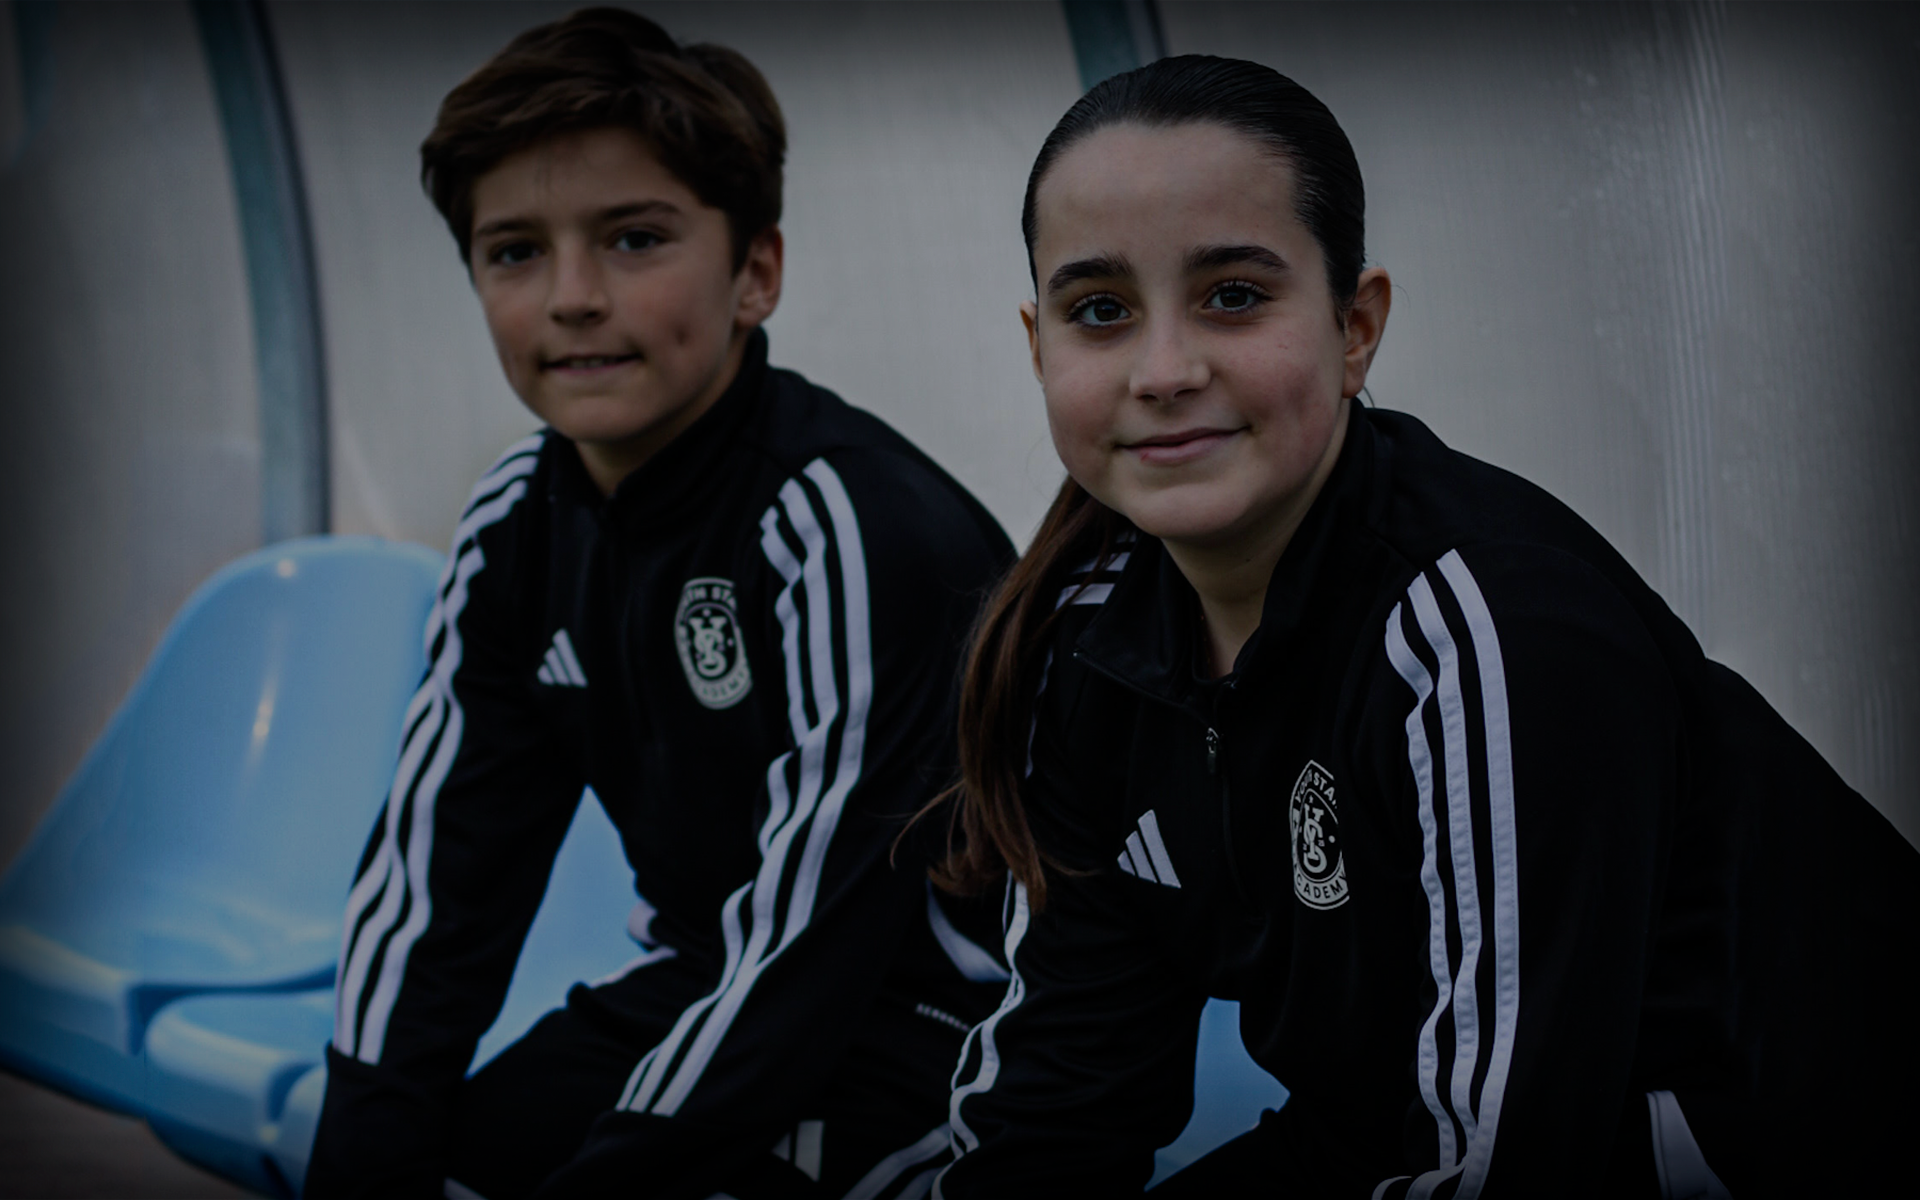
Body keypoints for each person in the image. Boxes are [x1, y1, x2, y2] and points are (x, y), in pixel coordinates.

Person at [930, 55, 1920, 1199]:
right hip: (1382, 1127)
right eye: (1100, 311)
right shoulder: (1087, 640)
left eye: (1234, 296)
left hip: (1731, 1143)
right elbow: (1059, 1095)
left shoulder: (1489, 627)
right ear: (1038, 345)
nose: (1164, 370)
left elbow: (1512, 1163)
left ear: (1355, 328)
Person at [306, 10, 1014, 1198]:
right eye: (514, 251)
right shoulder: (515, 520)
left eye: (634, 239)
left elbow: (816, 946)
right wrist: (364, 1152)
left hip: (936, 1033)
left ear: (756, 273)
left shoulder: (853, 525)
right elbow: (441, 876)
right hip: (706, 982)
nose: (572, 297)